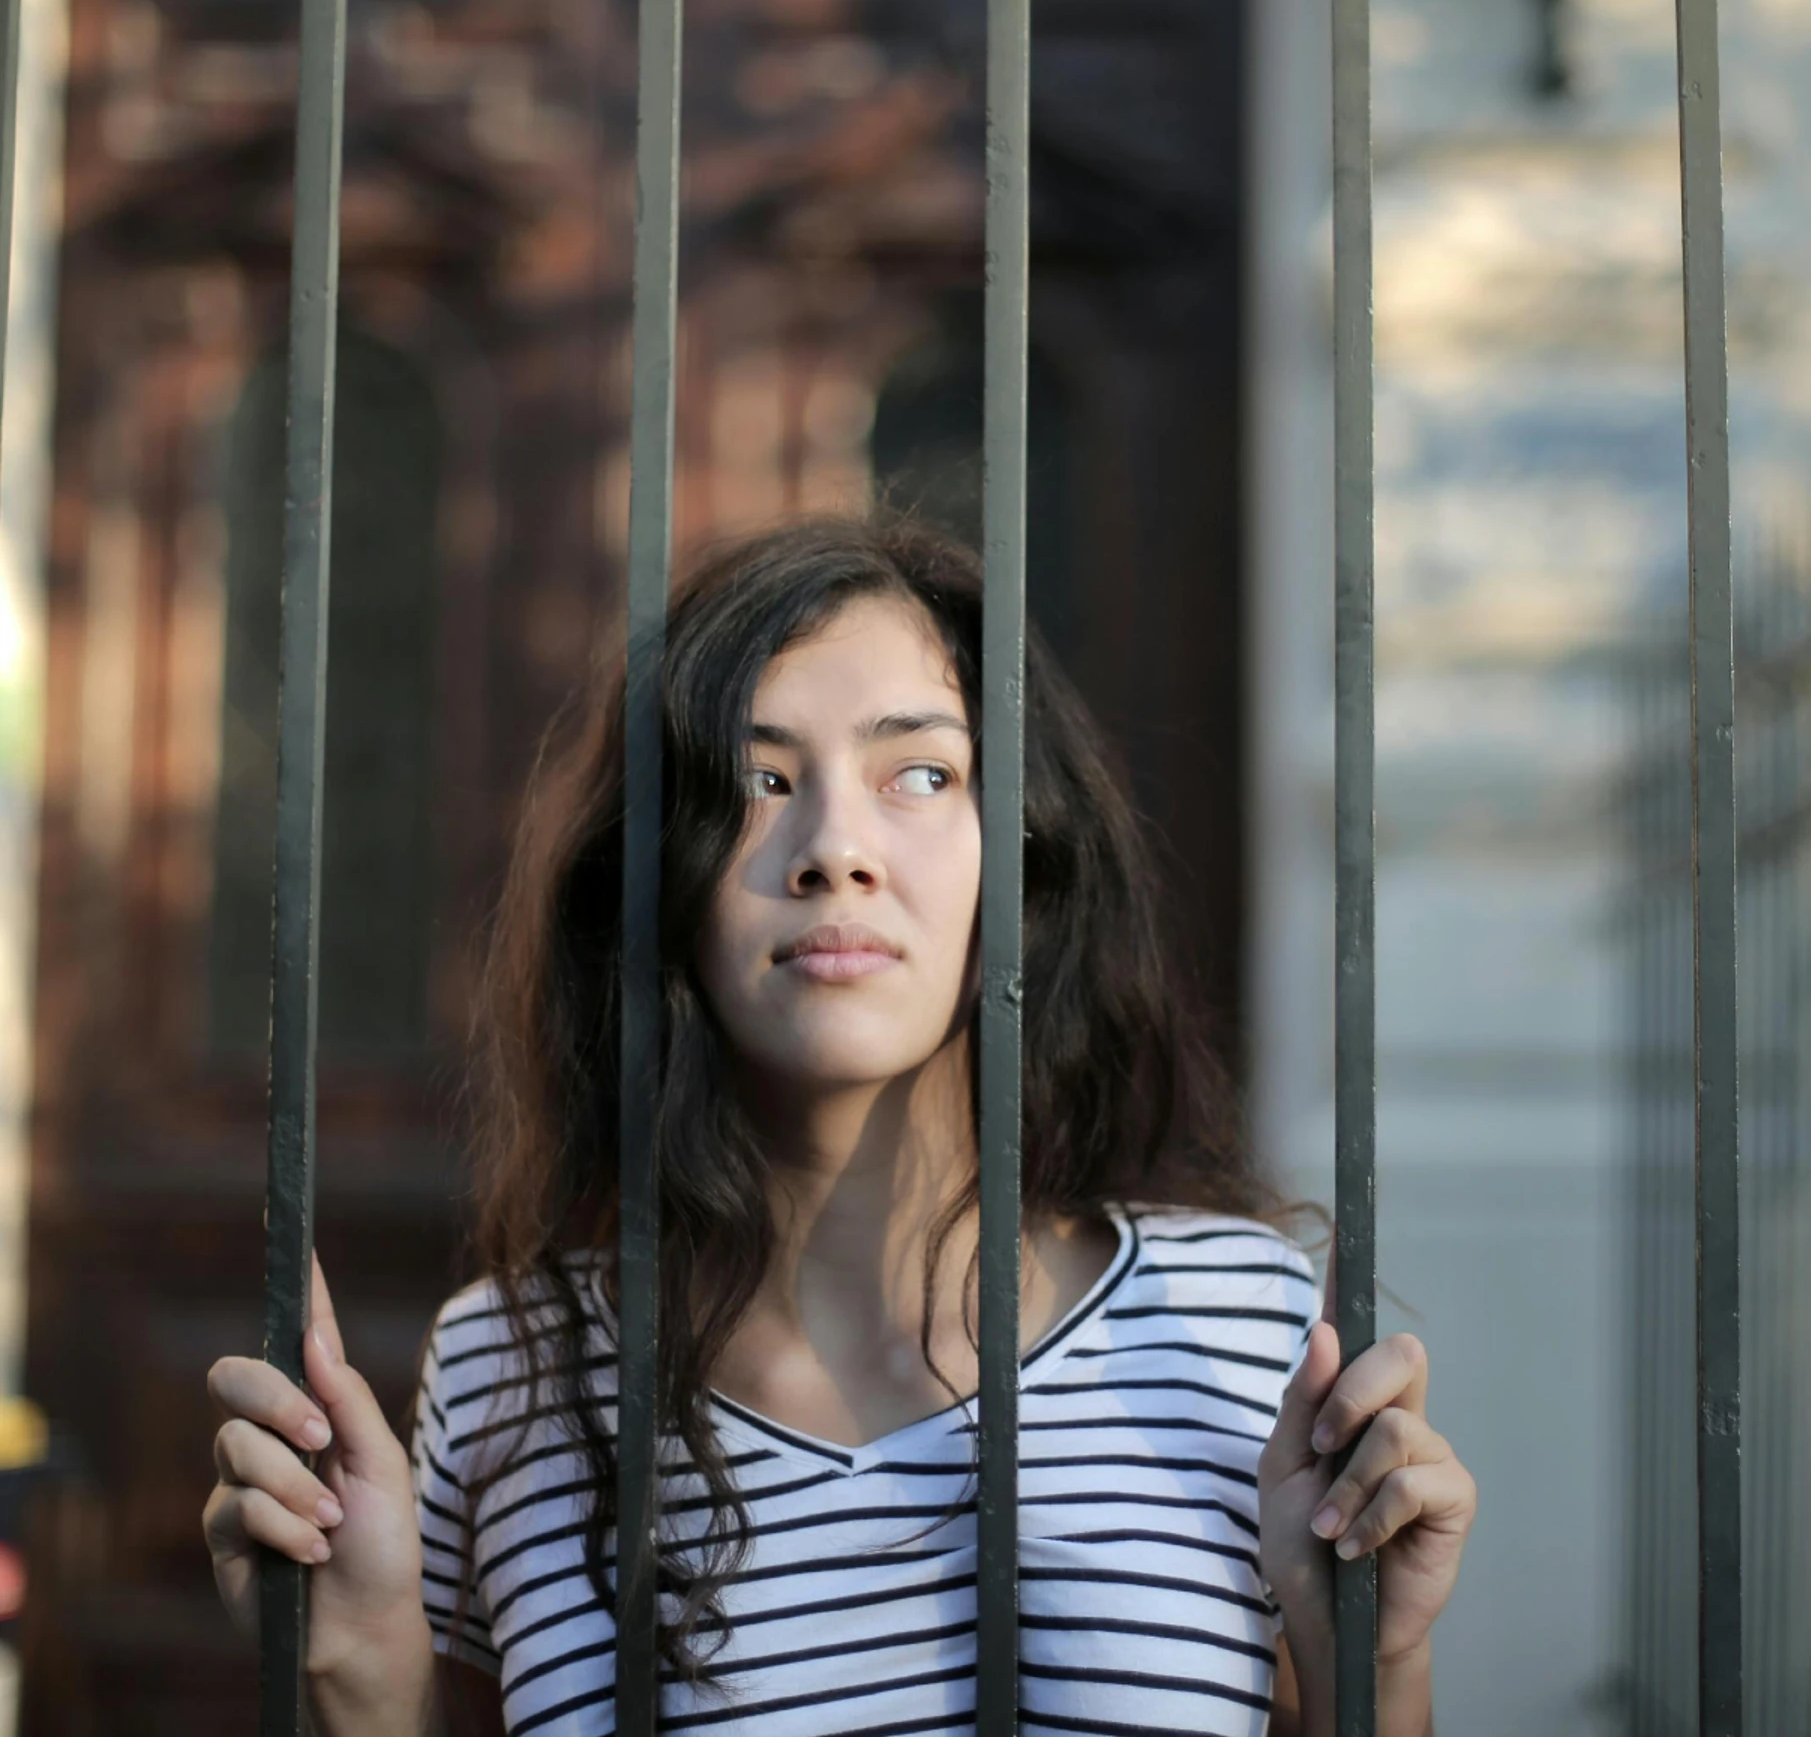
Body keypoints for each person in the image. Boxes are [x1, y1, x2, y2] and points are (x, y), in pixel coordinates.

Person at [203, 515, 1476, 1737]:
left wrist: (1378, 1663)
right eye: (758, 781)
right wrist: (359, 1682)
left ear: (1017, 854)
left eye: (919, 772)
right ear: (658, 880)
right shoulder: (513, 1369)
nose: (836, 850)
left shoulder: (1236, 1321)